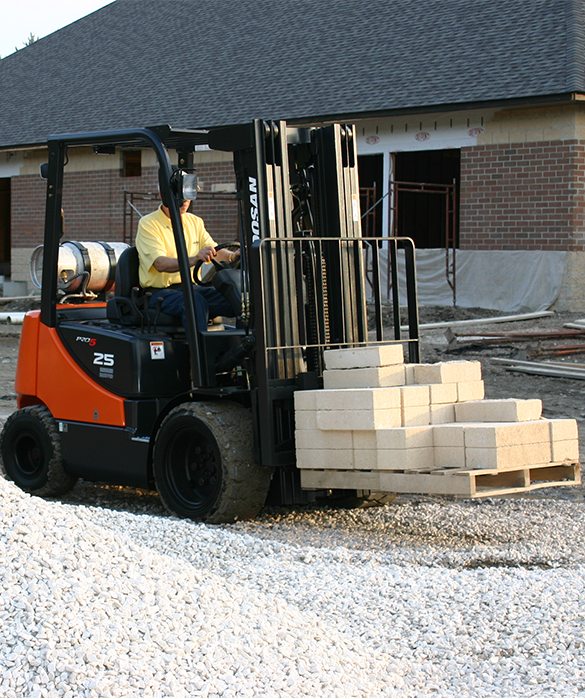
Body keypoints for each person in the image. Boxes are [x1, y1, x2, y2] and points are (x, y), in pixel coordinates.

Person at [135, 197, 238, 330]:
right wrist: (194, 259)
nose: (185, 201)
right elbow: (160, 263)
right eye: (180, 196)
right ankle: (199, 350)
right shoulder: (148, 223)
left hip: (190, 288)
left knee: (238, 298)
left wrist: (233, 256)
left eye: (187, 196)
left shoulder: (195, 222)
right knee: (194, 302)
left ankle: (247, 347)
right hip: (158, 293)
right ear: (165, 193)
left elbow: (214, 250)